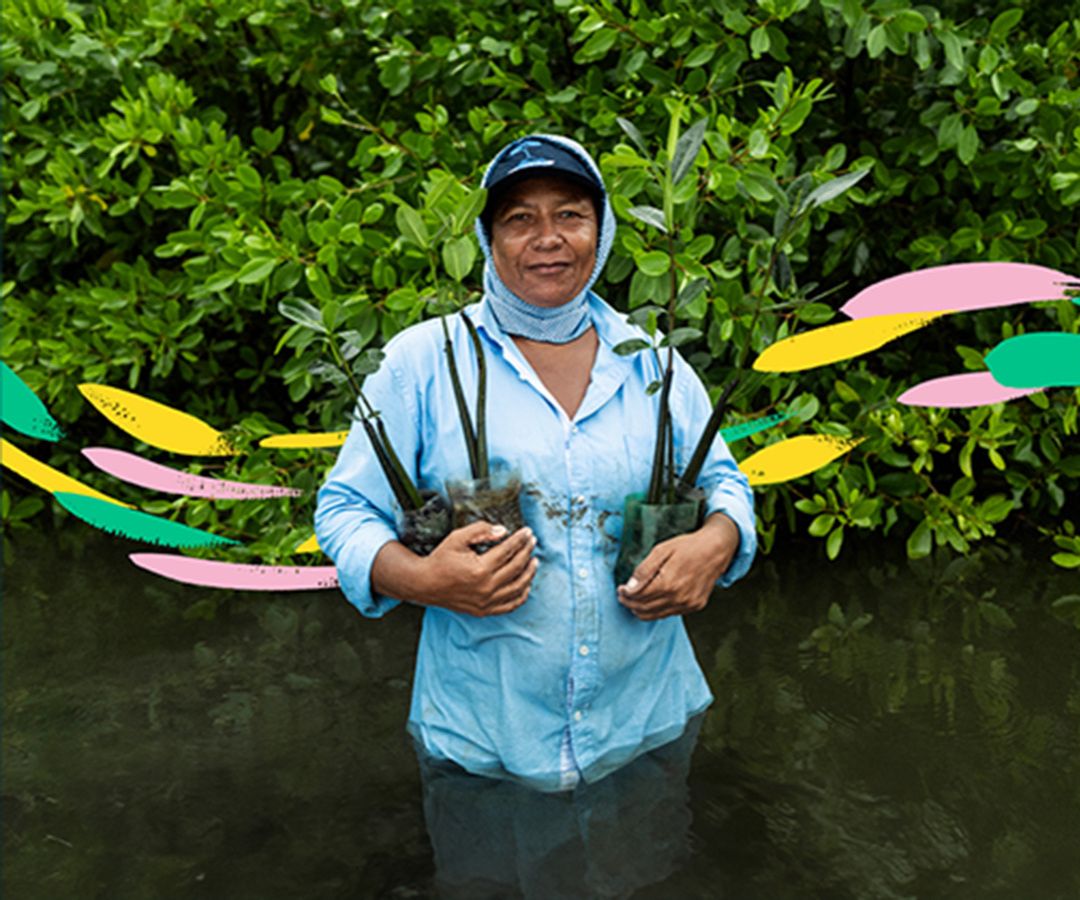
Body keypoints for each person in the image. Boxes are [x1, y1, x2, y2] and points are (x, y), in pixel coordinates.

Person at [314, 134, 756, 793]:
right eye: (520, 218)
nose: (547, 237)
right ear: (488, 239)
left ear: (600, 232)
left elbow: (725, 484)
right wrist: (423, 579)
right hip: (483, 738)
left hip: (646, 724)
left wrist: (715, 544)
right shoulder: (422, 363)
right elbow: (345, 511)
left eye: (570, 214)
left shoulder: (653, 359)